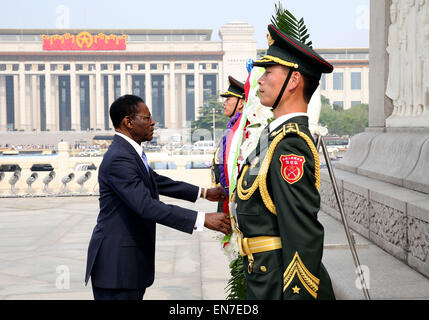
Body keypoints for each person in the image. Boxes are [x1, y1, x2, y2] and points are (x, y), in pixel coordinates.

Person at [85, 94, 230, 300]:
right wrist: (202, 219)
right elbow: (147, 206)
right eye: (147, 118)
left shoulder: (129, 152)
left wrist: (204, 193)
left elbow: (156, 181)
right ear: (129, 122)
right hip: (117, 266)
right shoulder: (119, 157)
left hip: (128, 265)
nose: (153, 122)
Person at [233, 24, 336, 300]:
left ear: (293, 81)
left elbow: (302, 236)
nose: (260, 81)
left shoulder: (290, 145)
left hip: (278, 283)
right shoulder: (274, 136)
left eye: (268, 73)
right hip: (263, 276)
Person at [211, 76, 245, 212]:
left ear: (241, 103)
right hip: (225, 192)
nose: (224, 103)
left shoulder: (243, 130)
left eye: (228, 99)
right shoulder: (232, 128)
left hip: (235, 195)